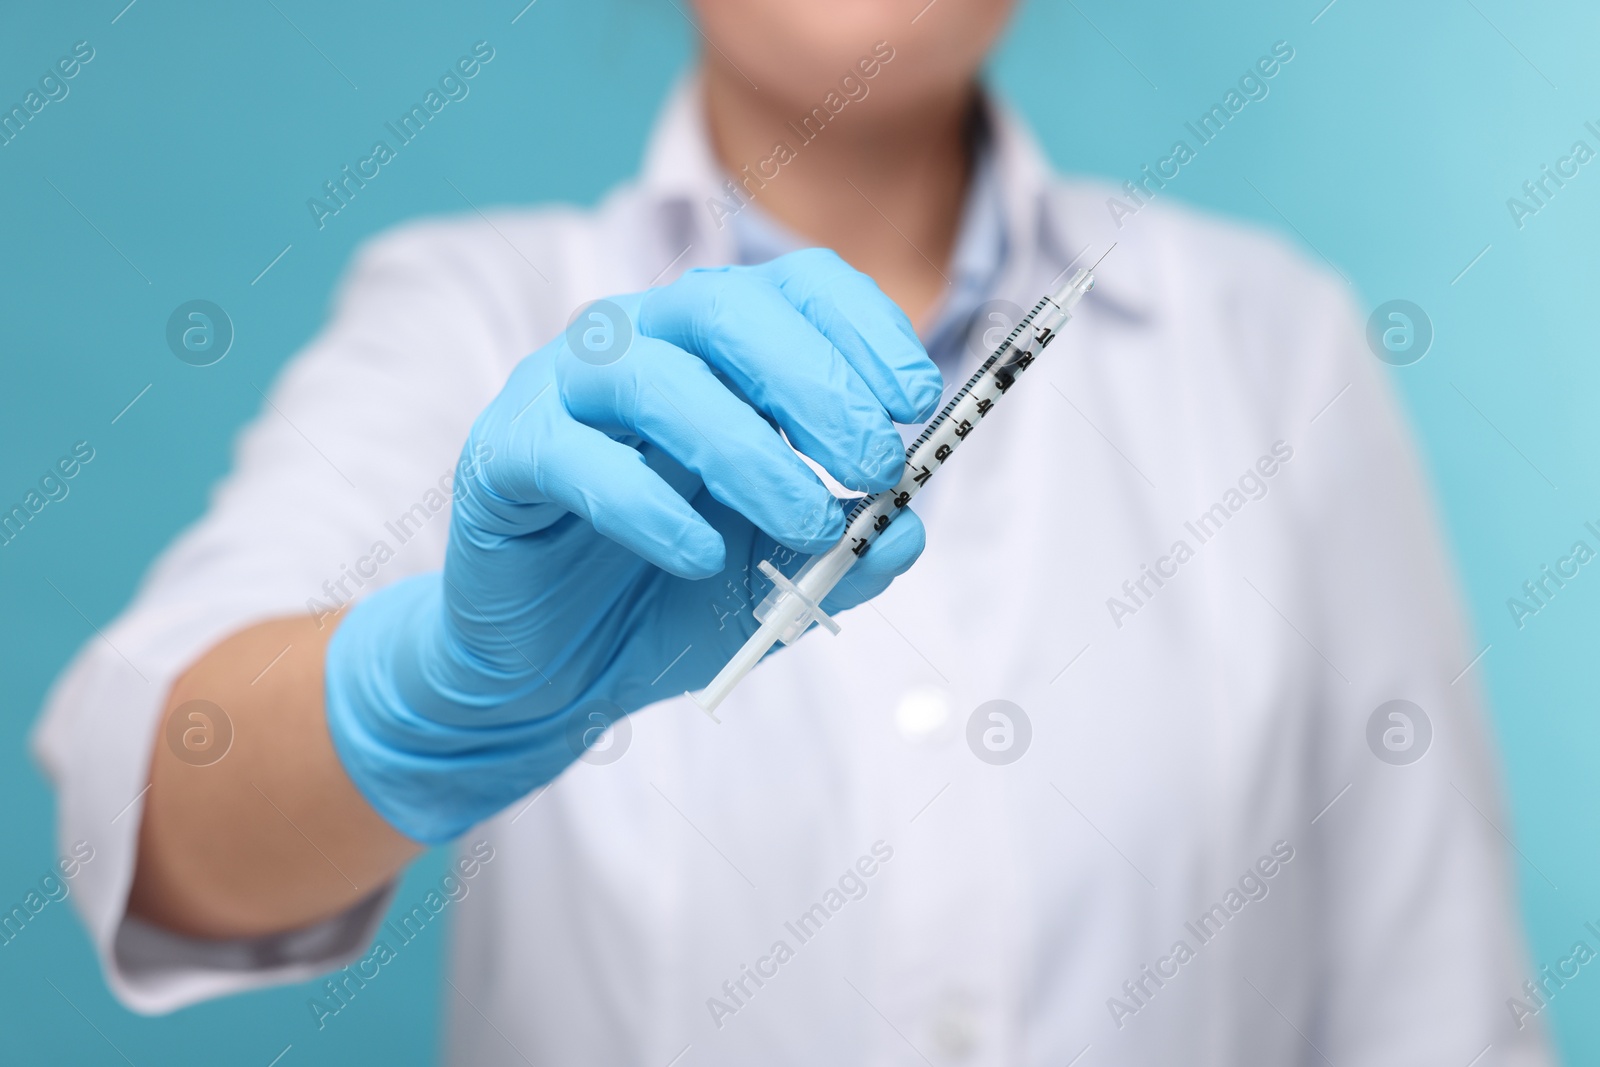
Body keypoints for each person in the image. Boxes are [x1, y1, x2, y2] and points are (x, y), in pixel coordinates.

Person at [34, 1, 1552, 1064]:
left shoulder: (1272, 344)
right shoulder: (464, 313)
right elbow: (146, 824)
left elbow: (1436, 1013)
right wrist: (428, 699)